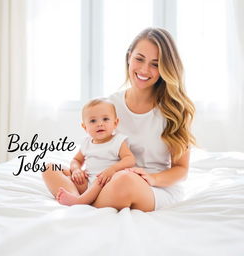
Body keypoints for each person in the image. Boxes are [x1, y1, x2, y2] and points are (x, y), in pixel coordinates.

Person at [42, 27, 195, 212]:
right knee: (50, 167)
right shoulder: (111, 105)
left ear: (165, 68)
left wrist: (152, 178)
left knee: (125, 180)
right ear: (129, 57)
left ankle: (83, 204)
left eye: (155, 64)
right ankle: (81, 199)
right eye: (139, 59)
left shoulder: (174, 111)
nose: (145, 69)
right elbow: (96, 144)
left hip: (151, 188)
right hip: (104, 180)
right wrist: (78, 172)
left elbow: (181, 169)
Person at [51, 98, 135, 206]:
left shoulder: (118, 141)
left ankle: (79, 201)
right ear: (85, 127)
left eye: (105, 119)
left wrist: (112, 169)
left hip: (106, 184)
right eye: (93, 121)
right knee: (50, 168)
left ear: (115, 123)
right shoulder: (86, 142)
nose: (100, 124)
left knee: (99, 180)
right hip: (87, 182)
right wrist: (76, 170)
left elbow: (130, 159)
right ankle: (75, 195)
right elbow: (76, 160)